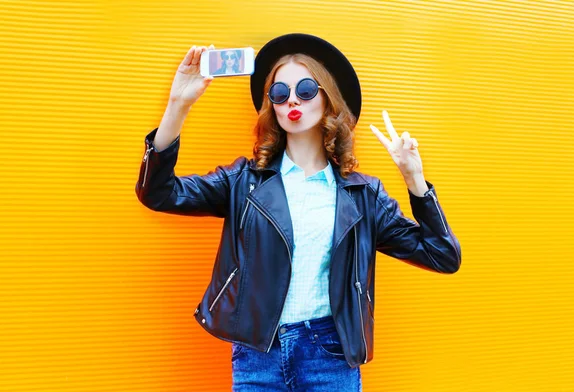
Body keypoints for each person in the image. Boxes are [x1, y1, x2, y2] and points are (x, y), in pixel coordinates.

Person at [135, 33, 461, 391]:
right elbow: (158, 193)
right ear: (272, 106)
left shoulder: (363, 194)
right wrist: (178, 105)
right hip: (257, 356)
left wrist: (415, 180)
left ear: (326, 97)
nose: (292, 99)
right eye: (279, 93)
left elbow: (442, 255)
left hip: (330, 357)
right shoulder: (244, 181)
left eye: (305, 89)